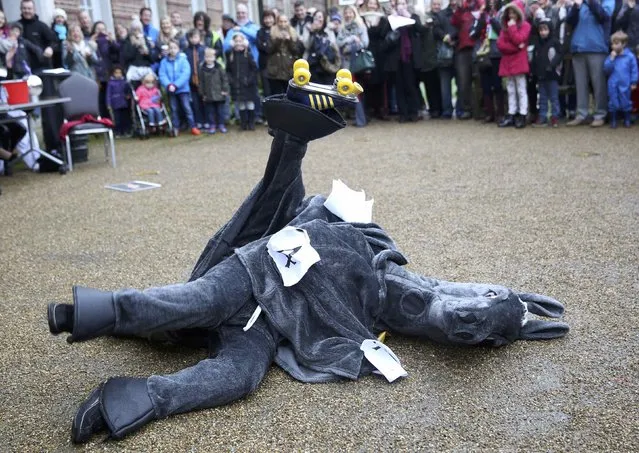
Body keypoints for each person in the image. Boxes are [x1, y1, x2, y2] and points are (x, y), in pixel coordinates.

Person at [46, 90, 569, 445]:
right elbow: (452, 295)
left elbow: (452, 318)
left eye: (476, 333)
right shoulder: (414, 281)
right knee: (201, 300)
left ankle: (134, 397)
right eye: (480, 308)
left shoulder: (425, 315)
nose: (467, 320)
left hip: (276, 322)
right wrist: (508, 300)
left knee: (241, 375)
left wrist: (508, 324)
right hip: (266, 268)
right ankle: (90, 312)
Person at [565, 0, 615, 127]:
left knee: (599, 84)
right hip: (578, 48)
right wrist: (576, 7)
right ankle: (582, 114)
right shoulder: (580, 3)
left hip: (597, 47)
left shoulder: (607, 1)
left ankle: (600, 114)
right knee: (581, 85)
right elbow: (570, 21)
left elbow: (603, 16)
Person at [381, 0, 424, 123]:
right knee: (399, 86)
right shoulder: (391, 19)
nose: (401, 6)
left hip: (410, 58)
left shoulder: (413, 17)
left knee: (411, 85)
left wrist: (408, 16)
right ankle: (403, 113)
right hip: (396, 59)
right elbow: (383, 34)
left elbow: (421, 29)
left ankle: (414, 111)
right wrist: (392, 19)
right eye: (399, 4)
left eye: (403, 4)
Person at [496, 0, 531, 129]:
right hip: (508, 61)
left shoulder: (525, 25)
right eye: (509, 12)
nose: (511, 15)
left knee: (521, 88)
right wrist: (516, 48)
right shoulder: (505, 26)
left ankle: (522, 114)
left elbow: (519, 39)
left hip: (519, 61)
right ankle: (512, 112)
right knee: (510, 89)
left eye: (514, 12)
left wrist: (512, 28)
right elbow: (500, 44)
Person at [159, 39, 200, 136]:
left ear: (178, 49)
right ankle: (175, 127)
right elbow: (162, 75)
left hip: (183, 89)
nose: (172, 50)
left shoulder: (183, 60)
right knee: (174, 109)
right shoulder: (164, 62)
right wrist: (169, 85)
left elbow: (185, 74)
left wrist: (176, 84)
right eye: (170, 48)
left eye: (174, 48)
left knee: (187, 108)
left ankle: (193, 126)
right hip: (171, 90)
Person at [472, 0, 505, 123]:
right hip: (483, 53)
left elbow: (502, 31)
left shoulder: (502, 14)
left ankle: (500, 113)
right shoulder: (480, 16)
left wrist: (492, 19)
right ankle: (489, 113)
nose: (491, 2)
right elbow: (473, 33)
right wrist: (481, 20)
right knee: (485, 85)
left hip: (496, 53)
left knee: (497, 84)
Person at [451, 0, 484, 119]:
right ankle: (466, 109)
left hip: (478, 46)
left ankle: (480, 109)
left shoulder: (480, 6)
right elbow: (454, 22)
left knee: (479, 79)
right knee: (463, 80)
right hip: (463, 48)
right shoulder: (462, 9)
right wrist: (459, 9)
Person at [360, 0, 390, 121]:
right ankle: (369, 109)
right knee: (367, 82)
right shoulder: (362, 19)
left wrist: (375, 24)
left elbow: (383, 34)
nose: (372, 6)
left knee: (380, 82)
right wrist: (367, 25)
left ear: (377, 6)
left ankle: (380, 109)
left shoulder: (382, 20)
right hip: (367, 54)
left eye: (374, 4)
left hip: (379, 54)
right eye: (370, 4)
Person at [603, 30, 638, 127]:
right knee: (613, 101)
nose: (613, 46)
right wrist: (611, 59)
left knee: (625, 101)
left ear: (624, 44)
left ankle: (627, 119)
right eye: (612, 44)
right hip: (613, 83)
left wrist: (634, 82)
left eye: (616, 43)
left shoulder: (630, 57)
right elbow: (606, 69)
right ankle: (613, 120)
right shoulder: (610, 57)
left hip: (625, 83)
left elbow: (634, 70)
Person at [532, 18, 563, 127]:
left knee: (554, 97)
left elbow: (559, 55)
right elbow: (535, 58)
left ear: (550, 30)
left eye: (545, 29)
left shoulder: (554, 41)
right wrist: (533, 71)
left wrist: (552, 65)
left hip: (552, 74)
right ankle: (542, 116)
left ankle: (555, 116)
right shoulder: (537, 43)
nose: (543, 32)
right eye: (541, 30)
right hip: (541, 75)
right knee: (542, 97)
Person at [226, 33, 258, 130]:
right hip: (237, 84)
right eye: (236, 41)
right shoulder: (230, 55)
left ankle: (251, 123)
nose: (238, 43)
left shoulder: (248, 54)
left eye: (240, 41)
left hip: (248, 84)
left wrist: (250, 80)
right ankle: (243, 123)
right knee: (241, 104)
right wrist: (231, 80)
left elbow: (254, 69)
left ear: (244, 42)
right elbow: (228, 70)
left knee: (249, 103)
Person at [432, 0, 458, 119]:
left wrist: (451, 37)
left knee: (462, 83)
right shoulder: (441, 14)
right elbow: (436, 30)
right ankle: (447, 110)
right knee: (445, 84)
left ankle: (461, 109)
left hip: (460, 51)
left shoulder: (462, 13)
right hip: (444, 54)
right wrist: (445, 37)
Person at [266, 14, 304, 95]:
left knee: (289, 95)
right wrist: (278, 40)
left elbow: (297, 51)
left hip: (289, 70)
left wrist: (289, 40)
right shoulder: (272, 33)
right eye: (281, 21)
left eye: (285, 21)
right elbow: (269, 50)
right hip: (275, 72)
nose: (283, 24)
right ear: (277, 22)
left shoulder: (293, 32)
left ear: (288, 22)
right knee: (276, 95)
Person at [17, 0, 56, 73]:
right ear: (21, 9)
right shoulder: (17, 26)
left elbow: (54, 40)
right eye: (24, 8)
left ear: (34, 10)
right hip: (22, 68)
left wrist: (50, 48)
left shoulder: (41, 26)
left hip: (41, 66)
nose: (27, 11)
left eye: (29, 8)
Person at [302, 10, 340, 85]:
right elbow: (306, 45)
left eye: (320, 17)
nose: (318, 20)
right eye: (315, 17)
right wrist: (312, 32)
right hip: (313, 65)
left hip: (327, 64)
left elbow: (333, 46)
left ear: (324, 19)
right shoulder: (308, 28)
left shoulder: (329, 29)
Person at [198, 47, 230, 134]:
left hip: (219, 93)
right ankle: (212, 125)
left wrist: (225, 90)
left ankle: (221, 124)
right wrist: (202, 93)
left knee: (220, 111)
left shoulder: (219, 68)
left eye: (211, 57)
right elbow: (201, 82)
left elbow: (224, 79)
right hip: (208, 95)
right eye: (207, 57)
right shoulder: (202, 69)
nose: (209, 59)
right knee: (210, 112)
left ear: (215, 57)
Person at [91, 21, 119, 118]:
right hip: (97, 74)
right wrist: (92, 42)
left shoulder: (109, 42)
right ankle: (103, 119)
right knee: (100, 99)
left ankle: (113, 121)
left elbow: (117, 51)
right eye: (98, 29)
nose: (101, 32)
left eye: (103, 29)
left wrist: (112, 41)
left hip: (108, 72)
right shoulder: (91, 42)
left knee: (111, 98)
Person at [185, 28, 206, 129]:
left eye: (196, 37)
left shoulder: (203, 49)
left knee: (204, 101)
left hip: (202, 80)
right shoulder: (186, 51)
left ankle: (206, 120)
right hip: (191, 81)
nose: (193, 39)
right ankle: (198, 121)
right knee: (195, 102)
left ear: (199, 38)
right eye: (191, 37)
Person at [106, 65, 132, 136]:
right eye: (116, 73)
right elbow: (108, 94)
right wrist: (108, 103)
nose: (118, 75)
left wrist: (128, 95)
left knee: (125, 118)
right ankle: (117, 131)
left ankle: (126, 131)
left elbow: (128, 91)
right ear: (113, 74)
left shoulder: (125, 81)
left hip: (124, 103)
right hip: (115, 103)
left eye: (120, 73)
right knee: (117, 119)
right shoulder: (111, 83)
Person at [257, 9, 276, 98]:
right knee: (267, 92)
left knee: (277, 91)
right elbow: (260, 46)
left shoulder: (278, 30)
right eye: (266, 18)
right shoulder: (260, 32)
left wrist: (267, 45)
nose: (268, 20)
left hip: (277, 66)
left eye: (270, 18)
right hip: (265, 66)